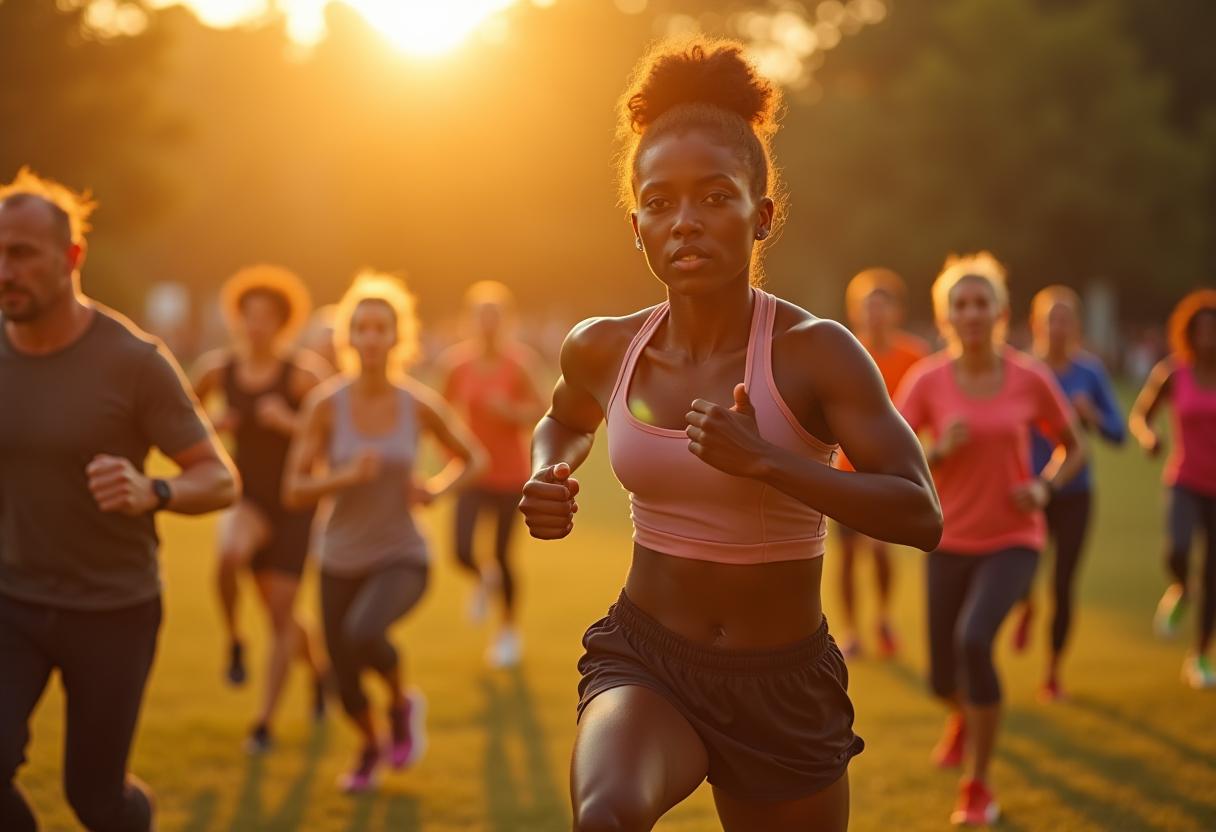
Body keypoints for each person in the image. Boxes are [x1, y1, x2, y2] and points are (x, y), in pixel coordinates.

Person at [518, 40, 942, 832]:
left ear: (762, 216)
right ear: (636, 223)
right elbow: (563, 419)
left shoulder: (815, 354)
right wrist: (548, 470)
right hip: (647, 661)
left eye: (715, 198)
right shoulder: (603, 346)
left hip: (781, 683)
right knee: (604, 816)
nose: (686, 222)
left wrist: (769, 463)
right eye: (662, 202)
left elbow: (919, 513)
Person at [0, 168, 239, 831]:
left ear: (72, 258)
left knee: (95, 799)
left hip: (112, 608)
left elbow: (219, 478)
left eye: (20, 253)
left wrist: (152, 490)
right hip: (11, 598)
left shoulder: (132, 360)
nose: (4, 269)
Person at [895, 253, 1086, 826]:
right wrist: (937, 450)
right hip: (948, 540)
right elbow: (893, 457)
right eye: (961, 304)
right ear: (945, 316)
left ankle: (978, 784)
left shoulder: (1030, 377)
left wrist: (1047, 488)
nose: (971, 312)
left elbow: (1072, 447)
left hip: (1014, 537)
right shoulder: (926, 380)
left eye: (981, 302)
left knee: (975, 640)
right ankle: (962, 713)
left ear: (1000, 312)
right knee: (940, 679)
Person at [283, 271, 486, 792]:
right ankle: (370, 744)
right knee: (342, 678)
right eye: (362, 328)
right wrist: (344, 476)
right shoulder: (326, 405)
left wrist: (436, 491)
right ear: (348, 337)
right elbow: (294, 488)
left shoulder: (416, 403)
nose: (371, 338)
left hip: (402, 553)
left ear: (398, 338)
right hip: (338, 554)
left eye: (382, 328)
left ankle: (399, 704)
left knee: (363, 632)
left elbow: (471, 458)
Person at [191, 265, 332, 751]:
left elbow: (334, 438)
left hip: (294, 504)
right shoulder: (218, 369)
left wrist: (290, 422)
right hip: (247, 498)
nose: (256, 326)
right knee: (228, 556)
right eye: (248, 316)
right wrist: (214, 423)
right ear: (238, 319)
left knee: (281, 616)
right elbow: (180, 421)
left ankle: (269, 718)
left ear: (282, 322)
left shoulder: (303, 374)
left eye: (266, 318)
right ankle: (234, 640)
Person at [1008, 285, 1124, 701]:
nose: (1057, 327)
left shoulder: (1089, 373)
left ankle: (1053, 672)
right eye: (1049, 319)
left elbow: (1118, 433)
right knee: (1019, 573)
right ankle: (1024, 605)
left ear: (1075, 326)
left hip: (1075, 492)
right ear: (1035, 324)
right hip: (1027, 493)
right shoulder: (1020, 370)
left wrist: (1091, 415)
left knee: (1063, 583)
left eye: (1065, 319)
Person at [439, 280, 546, 667]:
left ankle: (507, 632)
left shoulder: (519, 363)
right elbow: (441, 413)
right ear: (471, 321)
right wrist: (448, 452)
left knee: (503, 555)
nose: (486, 324)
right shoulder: (457, 364)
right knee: (460, 550)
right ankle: (484, 580)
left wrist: (510, 412)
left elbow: (542, 409)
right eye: (480, 316)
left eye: (494, 317)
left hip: (510, 475)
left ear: (505, 321)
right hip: (472, 473)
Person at [835, 267, 931, 658]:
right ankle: (852, 630)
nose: (875, 314)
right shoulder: (844, 351)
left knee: (878, 550)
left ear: (896, 312)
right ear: (856, 312)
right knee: (847, 555)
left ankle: (884, 618)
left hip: (891, 473)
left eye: (882, 305)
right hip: (846, 471)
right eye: (867, 306)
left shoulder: (914, 357)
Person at [1129, 289, 1216, 689]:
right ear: (1188, 334)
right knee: (1177, 550)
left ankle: (1198, 656)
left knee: (1214, 573)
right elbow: (1141, 415)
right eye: (1201, 332)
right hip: (1184, 479)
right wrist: (1149, 437)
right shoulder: (1173, 373)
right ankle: (1182, 587)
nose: (1208, 339)